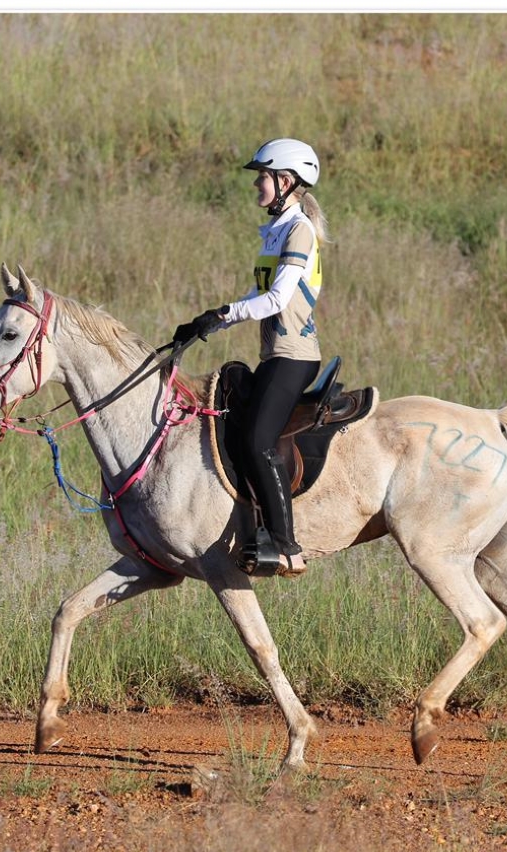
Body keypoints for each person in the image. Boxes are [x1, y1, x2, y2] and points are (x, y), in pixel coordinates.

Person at [174, 138, 329, 577]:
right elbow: (257, 296)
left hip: (294, 356)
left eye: (262, 176)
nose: (257, 184)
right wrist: (207, 323)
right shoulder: (278, 230)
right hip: (276, 355)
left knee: (258, 441)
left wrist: (224, 313)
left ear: (285, 181)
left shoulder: (298, 230)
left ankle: (287, 547)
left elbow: (277, 299)